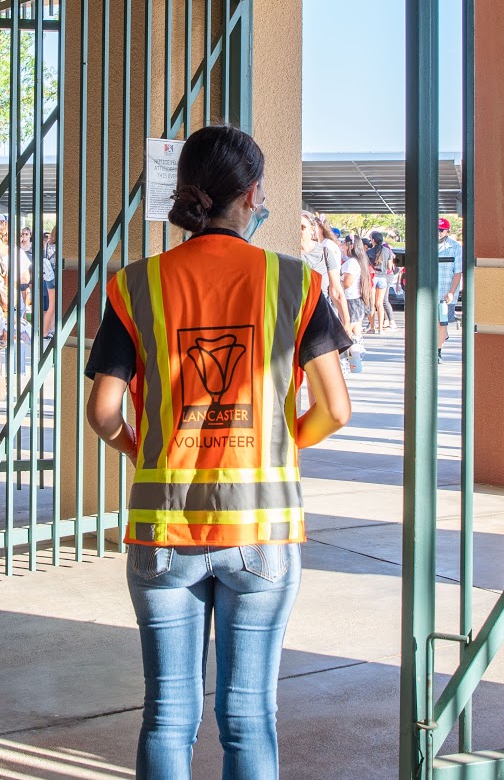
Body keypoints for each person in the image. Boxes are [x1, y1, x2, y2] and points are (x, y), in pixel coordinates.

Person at [84, 124, 352, 779]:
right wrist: (279, 444)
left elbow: (102, 412)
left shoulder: (135, 286)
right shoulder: (296, 283)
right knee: (249, 715)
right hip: (261, 527)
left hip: (162, 529)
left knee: (168, 713)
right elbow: (336, 408)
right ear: (252, 194)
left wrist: (148, 449)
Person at [340, 234, 371, 372]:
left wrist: (335, 283)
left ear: (350, 245)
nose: (342, 246)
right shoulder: (358, 261)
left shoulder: (351, 263)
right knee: (355, 333)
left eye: (344, 244)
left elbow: (347, 283)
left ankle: (344, 365)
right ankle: (355, 364)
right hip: (357, 301)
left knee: (344, 333)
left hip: (350, 302)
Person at [436, 217, 464, 364]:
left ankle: (438, 351)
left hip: (446, 292)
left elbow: (458, 272)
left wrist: (452, 292)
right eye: (436, 230)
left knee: (442, 322)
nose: (438, 233)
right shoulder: (426, 244)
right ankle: (439, 342)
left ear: (447, 231)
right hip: (429, 291)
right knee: (432, 323)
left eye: (441, 230)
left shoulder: (456, 248)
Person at [367, 231, 397, 334]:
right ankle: (380, 328)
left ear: (373, 240)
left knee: (372, 304)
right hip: (383, 278)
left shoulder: (369, 252)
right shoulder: (387, 251)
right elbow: (389, 267)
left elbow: (367, 267)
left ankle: (372, 328)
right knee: (380, 304)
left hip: (373, 277)